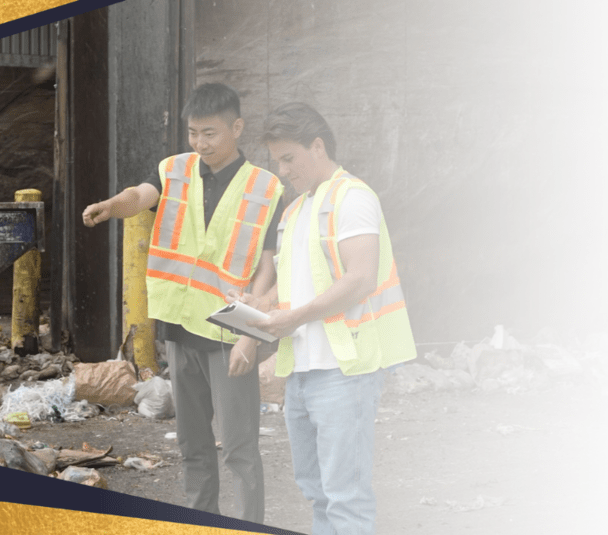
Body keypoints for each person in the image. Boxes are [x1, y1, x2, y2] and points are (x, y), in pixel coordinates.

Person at [82, 83, 283, 523]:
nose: (200, 143)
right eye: (193, 133)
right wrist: (111, 205)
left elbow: (268, 266)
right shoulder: (174, 170)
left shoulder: (266, 187)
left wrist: (252, 333)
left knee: (239, 446)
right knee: (192, 446)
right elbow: (140, 196)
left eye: (209, 133)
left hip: (230, 333)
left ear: (237, 127)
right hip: (180, 327)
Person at [233, 102, 416, 535]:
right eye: (277, 160)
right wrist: (259, 305)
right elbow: (296, 283)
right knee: (317, 492)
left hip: (344, 368)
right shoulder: (297, 210)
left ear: (318, 146)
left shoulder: (352, 198)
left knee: (345, 496)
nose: (282, 170)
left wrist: (291, 318)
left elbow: (360, 278)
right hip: (303, 369)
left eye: (288, 158)